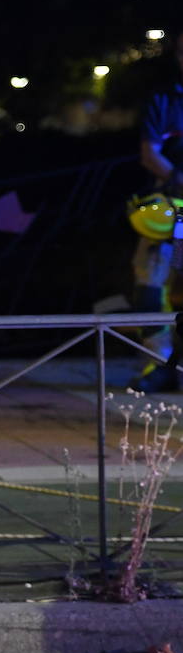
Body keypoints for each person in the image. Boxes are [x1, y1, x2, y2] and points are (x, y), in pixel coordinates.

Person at [128, 29, 183, 393]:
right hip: (174, 209)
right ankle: (162, 363)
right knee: (154, 281)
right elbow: (150, 153)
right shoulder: (165, 99)